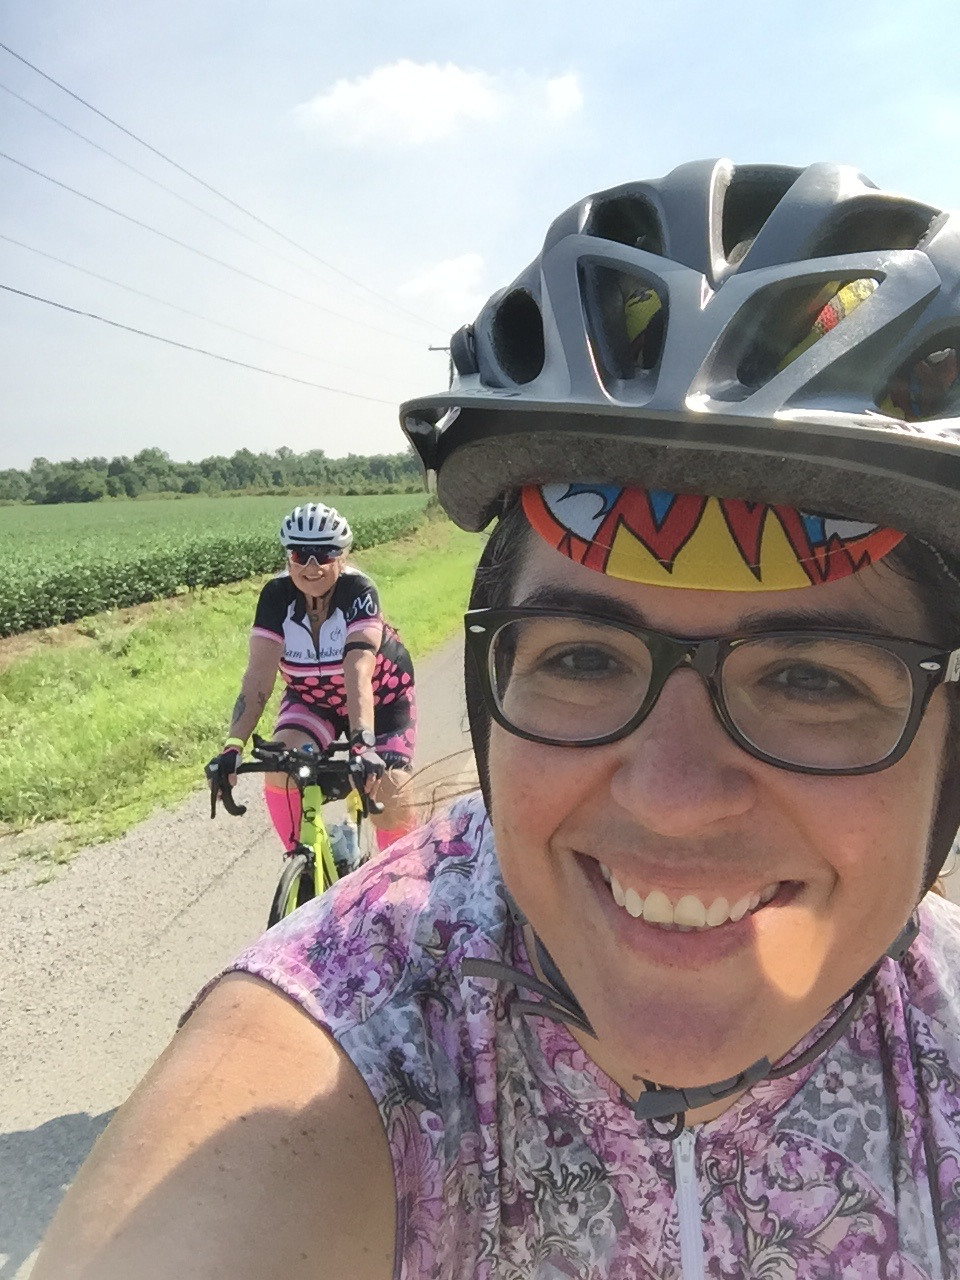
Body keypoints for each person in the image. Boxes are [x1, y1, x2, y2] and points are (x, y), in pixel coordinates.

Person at [33, 160, 960, 1278]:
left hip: (365, 706)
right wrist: (245, 734)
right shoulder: (365, 1025)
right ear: (499, 688)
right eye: (581, 657)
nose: (671, 794)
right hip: (310, 715)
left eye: (813, 678)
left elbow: (373, 675)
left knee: (376, 779)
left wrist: (377, 749)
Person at [207, 501, 417, 855]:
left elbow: (358, 670)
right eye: (300, 554)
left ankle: (402, 882)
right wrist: (232, 746)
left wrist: (363, 743)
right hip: (313, 699)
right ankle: (304, 862)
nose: (312, 566)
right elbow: (258, 676)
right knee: (281, 767)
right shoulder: (276, 597)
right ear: (288, 557)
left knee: (389, 787)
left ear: (343, 555)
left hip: (380, 698)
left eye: (325, 553)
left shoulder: (359, 592)